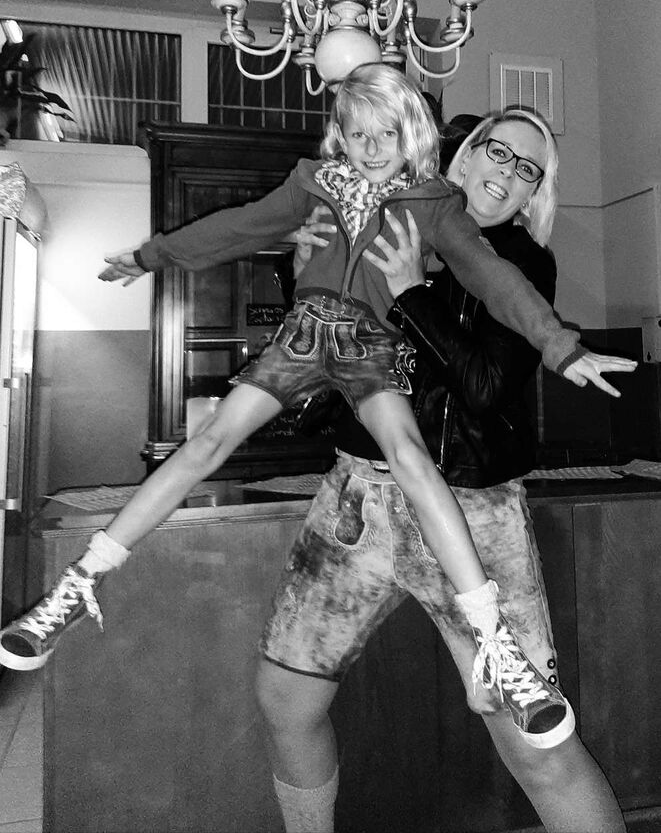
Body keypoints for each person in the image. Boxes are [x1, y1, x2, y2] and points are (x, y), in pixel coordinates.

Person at [0, 67, 633, 747]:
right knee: (206, 443)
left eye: (385, 134)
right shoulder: (315, 185)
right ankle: (74, 590)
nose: (370, 148)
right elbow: (239, 228)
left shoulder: (432, 206)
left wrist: (561, 347)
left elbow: (494, 280)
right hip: (303, 335)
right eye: (357, 134)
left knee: (411, 459)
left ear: (412, 137)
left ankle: (495, 643)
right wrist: (153, 256)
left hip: (369, 349)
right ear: (341, 136)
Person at [256, 109, 627, 833]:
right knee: (284, 699)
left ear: (533, 195)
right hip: (356, 502)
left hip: (471, 515)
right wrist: (303, 266)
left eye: (529, 170)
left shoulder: (523, 266)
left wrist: (410, 293)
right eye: (499, 151)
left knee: (537, 746)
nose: (508, 173)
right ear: (464, 156)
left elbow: (485, 386)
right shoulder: (392, 224)